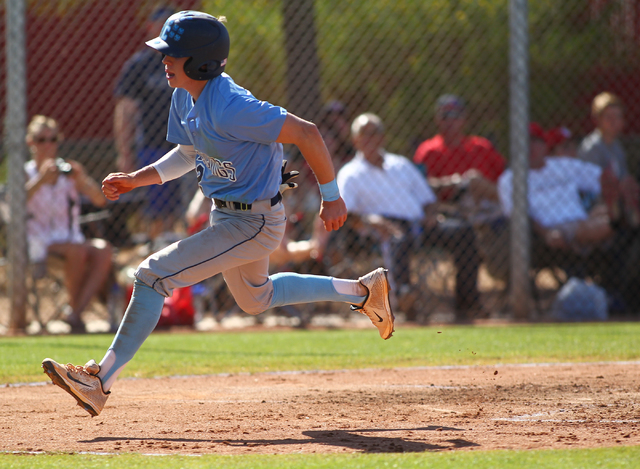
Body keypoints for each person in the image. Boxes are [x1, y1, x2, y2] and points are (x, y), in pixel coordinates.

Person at [42, 11, 394, 417]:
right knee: (256, 299)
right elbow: (189, 152)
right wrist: (137, 179)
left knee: (151, 275)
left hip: (254, 221)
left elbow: (307, 132)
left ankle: (99, 379)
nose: (165, 61)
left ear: (200, 61)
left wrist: (331, 197)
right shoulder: (184, 96)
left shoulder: (232, 105)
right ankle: (365, 291)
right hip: (227, 217)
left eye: (173, 54)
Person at [337, 113, 483, 321]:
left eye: (374, 133)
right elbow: (347, 212)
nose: (369, 139)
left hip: (420, 223)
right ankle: (405, 296)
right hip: (379, 227)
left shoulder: (401, 165)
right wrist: (372, 221)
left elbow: (428, 200)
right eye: (364, 134)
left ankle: (468, 304)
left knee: (463, 232)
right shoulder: (349, 173)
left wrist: (432, 214)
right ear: (355, 141)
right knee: (397, 237)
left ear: (382, 137)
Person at [25, 115, 113, 333]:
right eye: (41, 139)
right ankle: (75, 314)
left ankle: (74, 314)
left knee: (103, 250)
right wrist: (40, 181)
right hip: (38, 241)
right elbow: (12, 206)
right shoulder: (25, 172)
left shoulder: (67, 171)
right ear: (31, 143)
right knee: (78, 251)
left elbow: (100, 200)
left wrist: (81, 180)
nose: (48, 145)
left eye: (53, 139)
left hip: (71, 238)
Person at [113, 5, 188, 242]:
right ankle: (158, 252)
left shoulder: (187, 60)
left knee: (182, 211)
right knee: (156, 211)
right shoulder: (140, 65)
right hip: (153, 145)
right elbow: (125, 110)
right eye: (160, 23)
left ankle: (182, 253)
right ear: (150, 27)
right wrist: (124, 152)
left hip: (188, 144)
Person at [498, 123, 615, 254]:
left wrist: (620, 187)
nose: (529, 147)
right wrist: (546, 232)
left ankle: (618, 222)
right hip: (553, 227)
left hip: (581, 219)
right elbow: (516, 215)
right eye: (523, 142)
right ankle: (617, 224)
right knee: (608, 223)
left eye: (535, 141)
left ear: (544, 145)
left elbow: (601, 179)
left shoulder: (561, 165)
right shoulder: (510, 178)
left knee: (607, 211)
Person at [413, 94, 505, 210]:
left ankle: (516, 208)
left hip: (491, 203)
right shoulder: (428, 150)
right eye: (445, 116)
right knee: (473, 179)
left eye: (456, 116)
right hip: (452, 205)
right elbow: (421, 185)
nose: (450, 121)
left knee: (475, 179)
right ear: (437, 119)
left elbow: (504, 177)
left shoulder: (481, 146)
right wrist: (455, 182)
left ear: (464, 119)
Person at [577, 91, 640, 228]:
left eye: (617, 117)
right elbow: (591, 184)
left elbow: (624, 177)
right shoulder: (591, 147)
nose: (614, 122)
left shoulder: (617, 146)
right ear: (597, 120)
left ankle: (632, 217)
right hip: (596, 199)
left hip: (621, 196)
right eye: (608, 117)